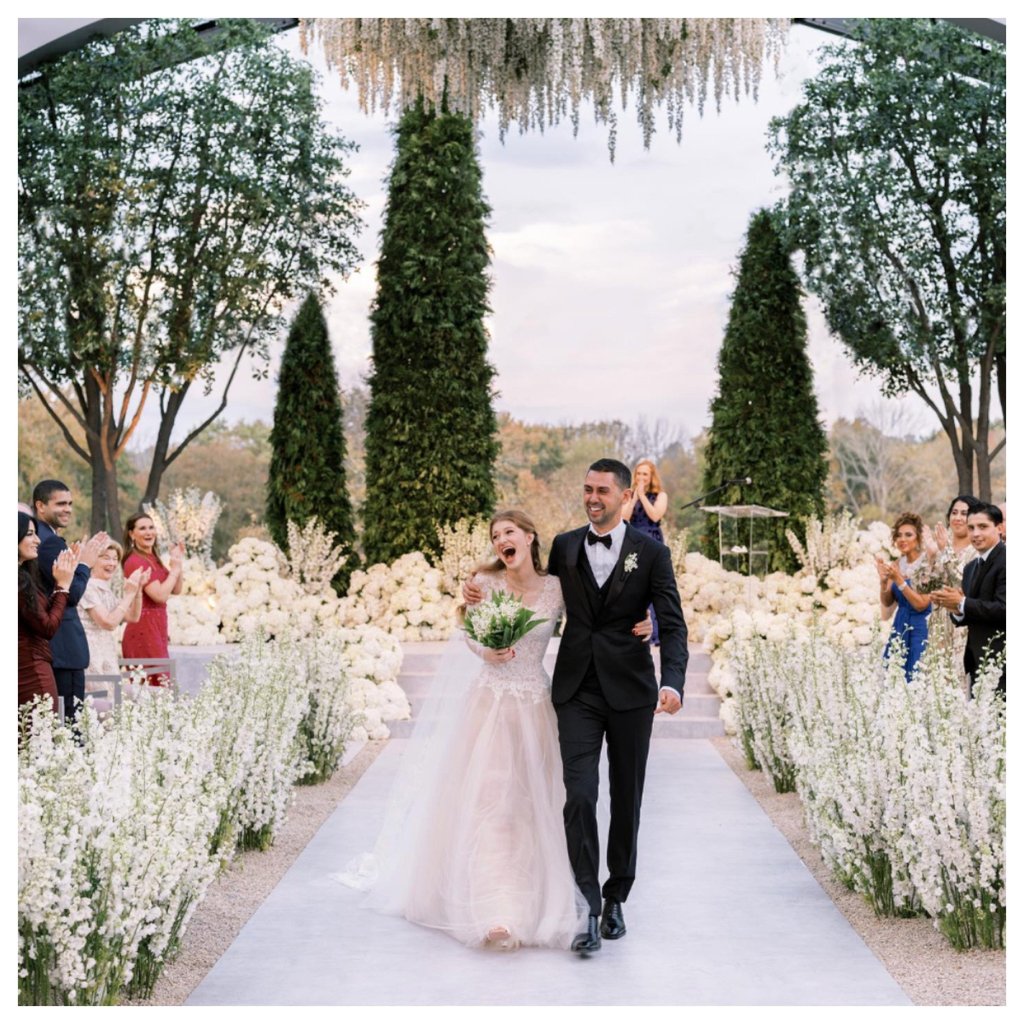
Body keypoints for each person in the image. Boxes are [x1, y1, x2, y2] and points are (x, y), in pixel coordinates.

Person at [355, 510, 654, 952]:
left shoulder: (557, 587)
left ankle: (539, 896)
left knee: (532, 806)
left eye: (508, 532)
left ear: (530, 537)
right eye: (495, 536)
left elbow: (600, 614)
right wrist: (485, 651)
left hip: (536, 707)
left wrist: (647, 622)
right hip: (490, 706)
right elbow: (470, 634)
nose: (501, 541)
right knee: (491, 802)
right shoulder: (485, 583)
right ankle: (497, 910)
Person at [464, 458, 688, 954]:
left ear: (625, 497)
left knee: (626, 796)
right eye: (587, 489)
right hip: (577, 691)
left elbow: (671, 620)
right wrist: (477, 587)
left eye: (603, 491)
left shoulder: (651, 553)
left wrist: (672, 680)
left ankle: (615, 896)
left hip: (631, 692)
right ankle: (586, 904)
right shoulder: (566, 546)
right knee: (580, 795)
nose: (592, 497)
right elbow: (523, 580)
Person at [33, 480, 109, 722]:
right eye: (60, 504)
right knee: (70, 724)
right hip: (62, 646)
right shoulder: (50, 542)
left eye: (70, 504)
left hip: (52, 644)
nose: (68, 509)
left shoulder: (42, 537)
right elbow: (71, 594)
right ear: (40, 506)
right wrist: (86, 563)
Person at [931, 503, 1006, 696]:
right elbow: (970, 611)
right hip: (976, 660)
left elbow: (1005, 609)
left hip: (1003, 661)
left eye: (983, 527)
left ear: (999, 528)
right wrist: (956, 610)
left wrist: (962, 603)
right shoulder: (970, 567)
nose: (975, 533)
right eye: (971, 527)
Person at [19, 513, 77, 715]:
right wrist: (63, 586)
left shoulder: (25, 577)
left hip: (27, 666)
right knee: (37, 738)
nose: (37, 540)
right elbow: (47, 627)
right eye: (29, 534)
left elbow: (39, 616)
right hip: (30, 672)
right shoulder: (19, 582)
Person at [81, 540, 149, 701]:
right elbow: (109, 622)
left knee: (113, 702)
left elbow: (133, 616)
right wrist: (129, 595)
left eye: (115, 559)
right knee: (100, 704)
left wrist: (138, 590)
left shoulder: (105, 589)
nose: (111, 563)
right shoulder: (87, 587)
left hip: (107, 651)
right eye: (105, 558)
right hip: (90, 653)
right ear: (93, 560)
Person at [121, 513, 183, 688]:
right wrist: (175, 570)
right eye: (142, 528)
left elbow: (176, 590)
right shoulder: (135, 561)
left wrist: (177, 562)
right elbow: (160, 595)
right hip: (142, 628)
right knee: (152, 687)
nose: (148, 532)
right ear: (132, 534)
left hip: (157, 626)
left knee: (161, 685)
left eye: (151, 527)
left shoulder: (154, 558)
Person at [876, 512, 932, 683]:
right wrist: (884, 582)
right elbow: (888, 602)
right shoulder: (897, 564)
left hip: (921, 627)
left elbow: (921, 604)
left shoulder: (927, 564)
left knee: (916, 676)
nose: (902, 539)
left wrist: (899, 580)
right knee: (895, 679)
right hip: (900, 625)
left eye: (908, 534)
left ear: (919, 538)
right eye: (899, 535)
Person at [621, 458, 669, 645]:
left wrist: (642, 496)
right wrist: (634, 497)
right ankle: (636, 629)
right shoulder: (629, 494)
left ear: (651, 476)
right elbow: (624, 517)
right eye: (639, 473)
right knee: (634, 585)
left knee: (653, 585)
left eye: (645, 474)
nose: (641, 477)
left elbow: (655, 515)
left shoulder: (660, 495)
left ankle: (656, 632)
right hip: (633, 541)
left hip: (652, 540)